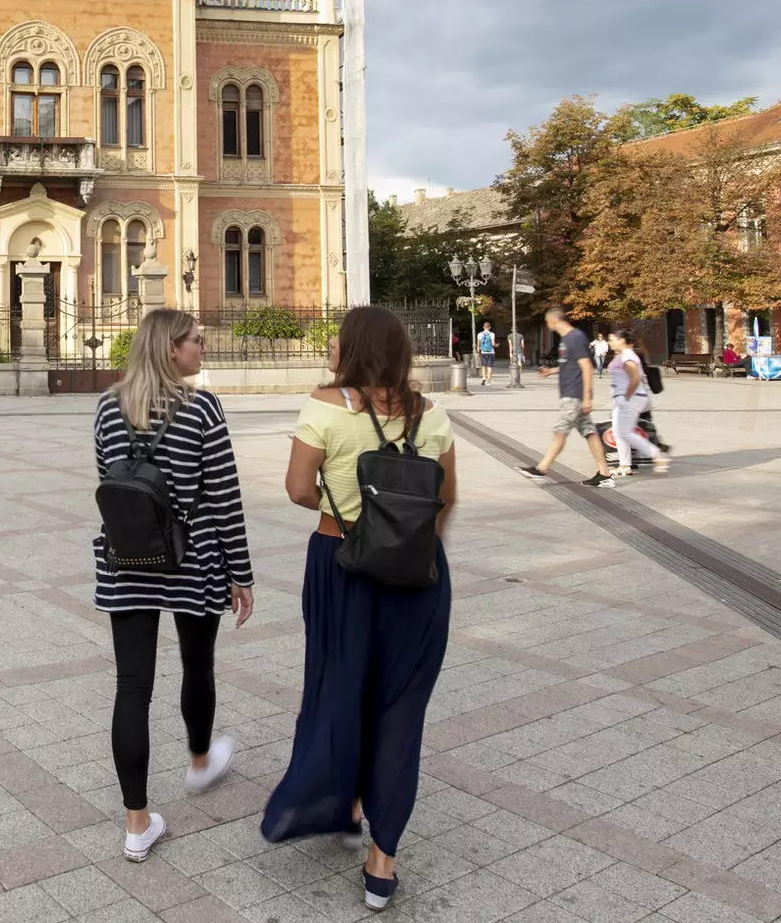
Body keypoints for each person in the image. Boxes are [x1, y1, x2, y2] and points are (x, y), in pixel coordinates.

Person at [262, 305, 457, 911]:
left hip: (340, 564)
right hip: (419, 578)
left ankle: (337, 805)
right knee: (401, 709)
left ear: (349, 347)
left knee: (338, 688)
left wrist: (347, 513)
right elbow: (446, 498)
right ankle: (382, 861)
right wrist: (410, 552)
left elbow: (297, 488)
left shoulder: (325, 405)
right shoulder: (433, 414)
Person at [92, 309, 254, 864]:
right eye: (195, 341)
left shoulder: (108, 408)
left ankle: (137, 823)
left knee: (131, 688)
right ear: (170, 349)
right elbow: (225, 495)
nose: (202, 349)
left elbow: (110, 483)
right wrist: (242, 574)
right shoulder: (202, 407)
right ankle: (200, 761)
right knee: (197, 665)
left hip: (128, 558)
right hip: (194, 559)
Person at [520, 309, 614, 486]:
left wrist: (587, 397)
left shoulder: (575, 337)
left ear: (555, 320)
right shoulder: (566, 339)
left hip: (574, 394)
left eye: (548, 322)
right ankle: (605, 475)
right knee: (590, 433)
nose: (548, 325)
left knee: (559, 431)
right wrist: (552, 370)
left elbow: (586, 366)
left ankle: (542, 468)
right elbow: (570, 364)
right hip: (571, 393)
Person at [605, 328, 667, 475]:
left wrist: (626, 396)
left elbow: (635, 377)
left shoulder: (628, 355)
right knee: (619, 433)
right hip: (626, 398)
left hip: (630, 398)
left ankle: (656, 454)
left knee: (624, 432)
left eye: (612, 339)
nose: (610, 342)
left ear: (622, 340)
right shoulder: (623, 354)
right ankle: (625, 466)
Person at [476, 322, 496, 387]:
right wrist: (497, 345)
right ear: (489, 327)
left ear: (483, 327)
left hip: (483, 352)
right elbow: (493, 344)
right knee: (489, 368)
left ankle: (484, 377)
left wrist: (478, 352)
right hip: (491, 352)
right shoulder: (492, 334)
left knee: (483, 366)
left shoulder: (479, 334)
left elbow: (478, 344)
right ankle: (488, 382)